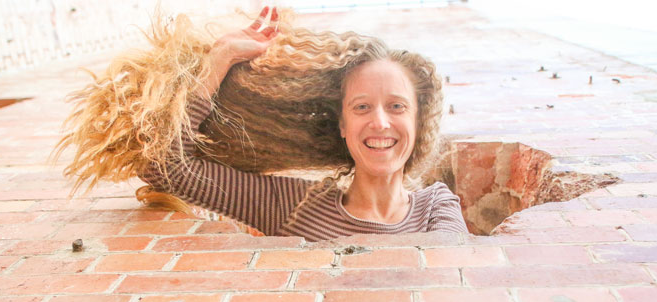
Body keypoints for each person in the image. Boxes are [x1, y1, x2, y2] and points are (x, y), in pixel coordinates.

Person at [58, 6, 469, 241]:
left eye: (397, 107)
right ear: (341, 124)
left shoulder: (436, 208)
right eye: (362, 107)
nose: (380, 122)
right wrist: (218, 61)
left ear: (419, 121)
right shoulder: (292, 205)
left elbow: (451, 287)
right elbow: (165, 168)